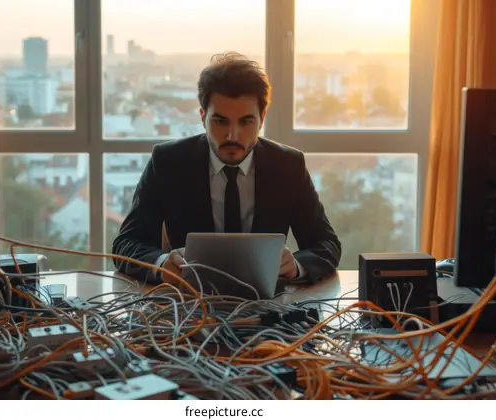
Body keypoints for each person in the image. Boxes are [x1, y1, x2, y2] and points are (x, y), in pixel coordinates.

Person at [112, 52, 341, 285]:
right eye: (220, 121)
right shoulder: (168, 162)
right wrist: (162, 264)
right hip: (188, 303)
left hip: (271, 306)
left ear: (262, 118)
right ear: (203, 117)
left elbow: (326, 244)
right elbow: (127, 243)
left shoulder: (288, 165)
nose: (233, 135)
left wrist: (297, 265)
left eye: (246, 122)